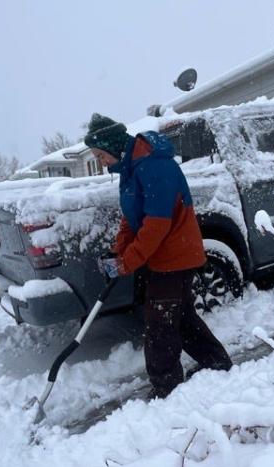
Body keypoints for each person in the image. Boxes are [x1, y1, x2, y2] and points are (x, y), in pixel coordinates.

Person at [84, 113, 232, 399]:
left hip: (176, 255)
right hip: (160, 256)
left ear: (114, 148)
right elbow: (131, 219)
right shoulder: (129, 169)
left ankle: (166, 386)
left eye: (101, 156)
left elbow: (157, 224)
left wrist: (129, 261)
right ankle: (217, 362)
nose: (101, 163)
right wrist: (118, 251)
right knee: (182, 317)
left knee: (159, 323)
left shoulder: (154, 166)